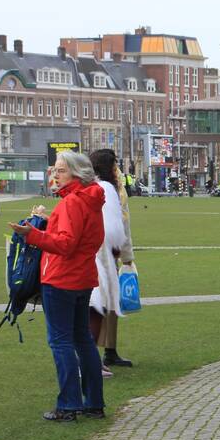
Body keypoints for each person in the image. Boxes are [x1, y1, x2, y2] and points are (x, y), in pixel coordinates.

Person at [9, 151, 106, 422]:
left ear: (76, 173)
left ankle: (69, 404)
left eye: (61, 170)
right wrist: (46, 221)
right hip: (82, 276)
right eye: (55, 170)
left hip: (62, 278)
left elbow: (65, 244)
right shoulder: (90, 199)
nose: (55, 175)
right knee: (82, 339)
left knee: (61, 341)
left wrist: (33, 234)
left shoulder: (72, 202)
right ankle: (93, 402)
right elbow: (81, 237)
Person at [87, 149, 129, 376]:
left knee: (94, 309)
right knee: (96, 309)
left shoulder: (91, 187)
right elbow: (115, 231)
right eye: (114, 165)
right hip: (99, 259)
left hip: (90, 257)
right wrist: (121, 256)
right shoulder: (106, 190)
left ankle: (94, 358)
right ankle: (91, 361)